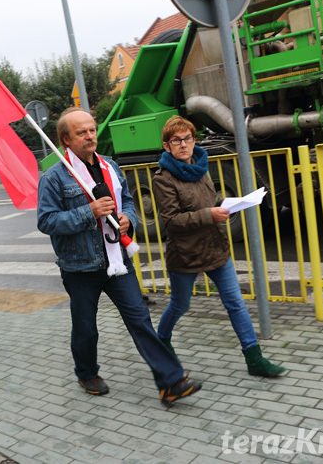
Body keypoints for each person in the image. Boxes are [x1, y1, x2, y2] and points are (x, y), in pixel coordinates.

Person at [37, 107, 202, 407]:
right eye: (81, 132)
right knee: (86, 325)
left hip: (117, 260)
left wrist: (128, 218)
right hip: (80, 267)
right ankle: (86, 372)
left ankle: (170, 382)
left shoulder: (110, 165)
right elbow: (47, 221)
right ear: (65, 139)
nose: (90, 136)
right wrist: (88, 212)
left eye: (92, 129)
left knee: (140, 320)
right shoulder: (54, 178)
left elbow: (126, 200)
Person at [151, 115, 285, 377]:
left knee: (235, 302)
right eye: (176, 141)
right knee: (180, 304)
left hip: (215, 247)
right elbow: (171, 221)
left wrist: (226, 205)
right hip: (185, 254)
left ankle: (254, 358)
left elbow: (206, 201)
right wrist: (209, 215)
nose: (183, 145)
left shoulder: (201, 167)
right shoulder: (162, 179)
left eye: (187, 138)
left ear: (193, 140)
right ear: (167, 146)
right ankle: (161, 340)